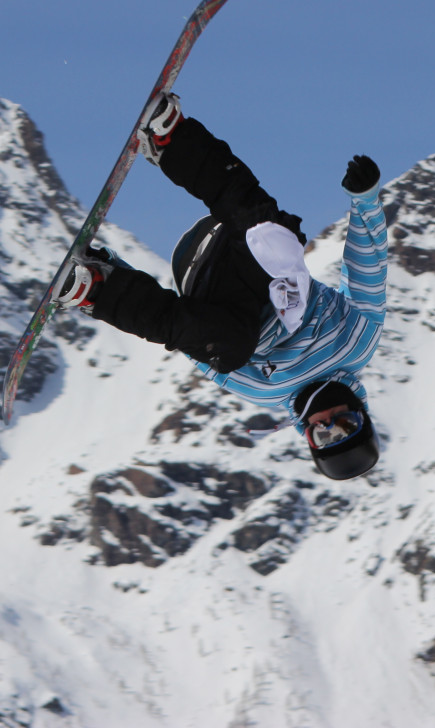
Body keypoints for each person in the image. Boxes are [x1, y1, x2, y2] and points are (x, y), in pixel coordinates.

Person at [55, 91, 389, 480]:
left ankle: (95, 287)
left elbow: (182, 331)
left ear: (308, 434)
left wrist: (115, 274)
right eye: (345, 424)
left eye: (323, 431)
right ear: (360, 413)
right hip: (253, 255)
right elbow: (368, 268)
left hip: (210, 287)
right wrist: (365, 200)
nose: (329, 418)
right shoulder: (359, 339)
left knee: (227, 349)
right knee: (279, 242)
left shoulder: (263, 390)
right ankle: (171, 140)